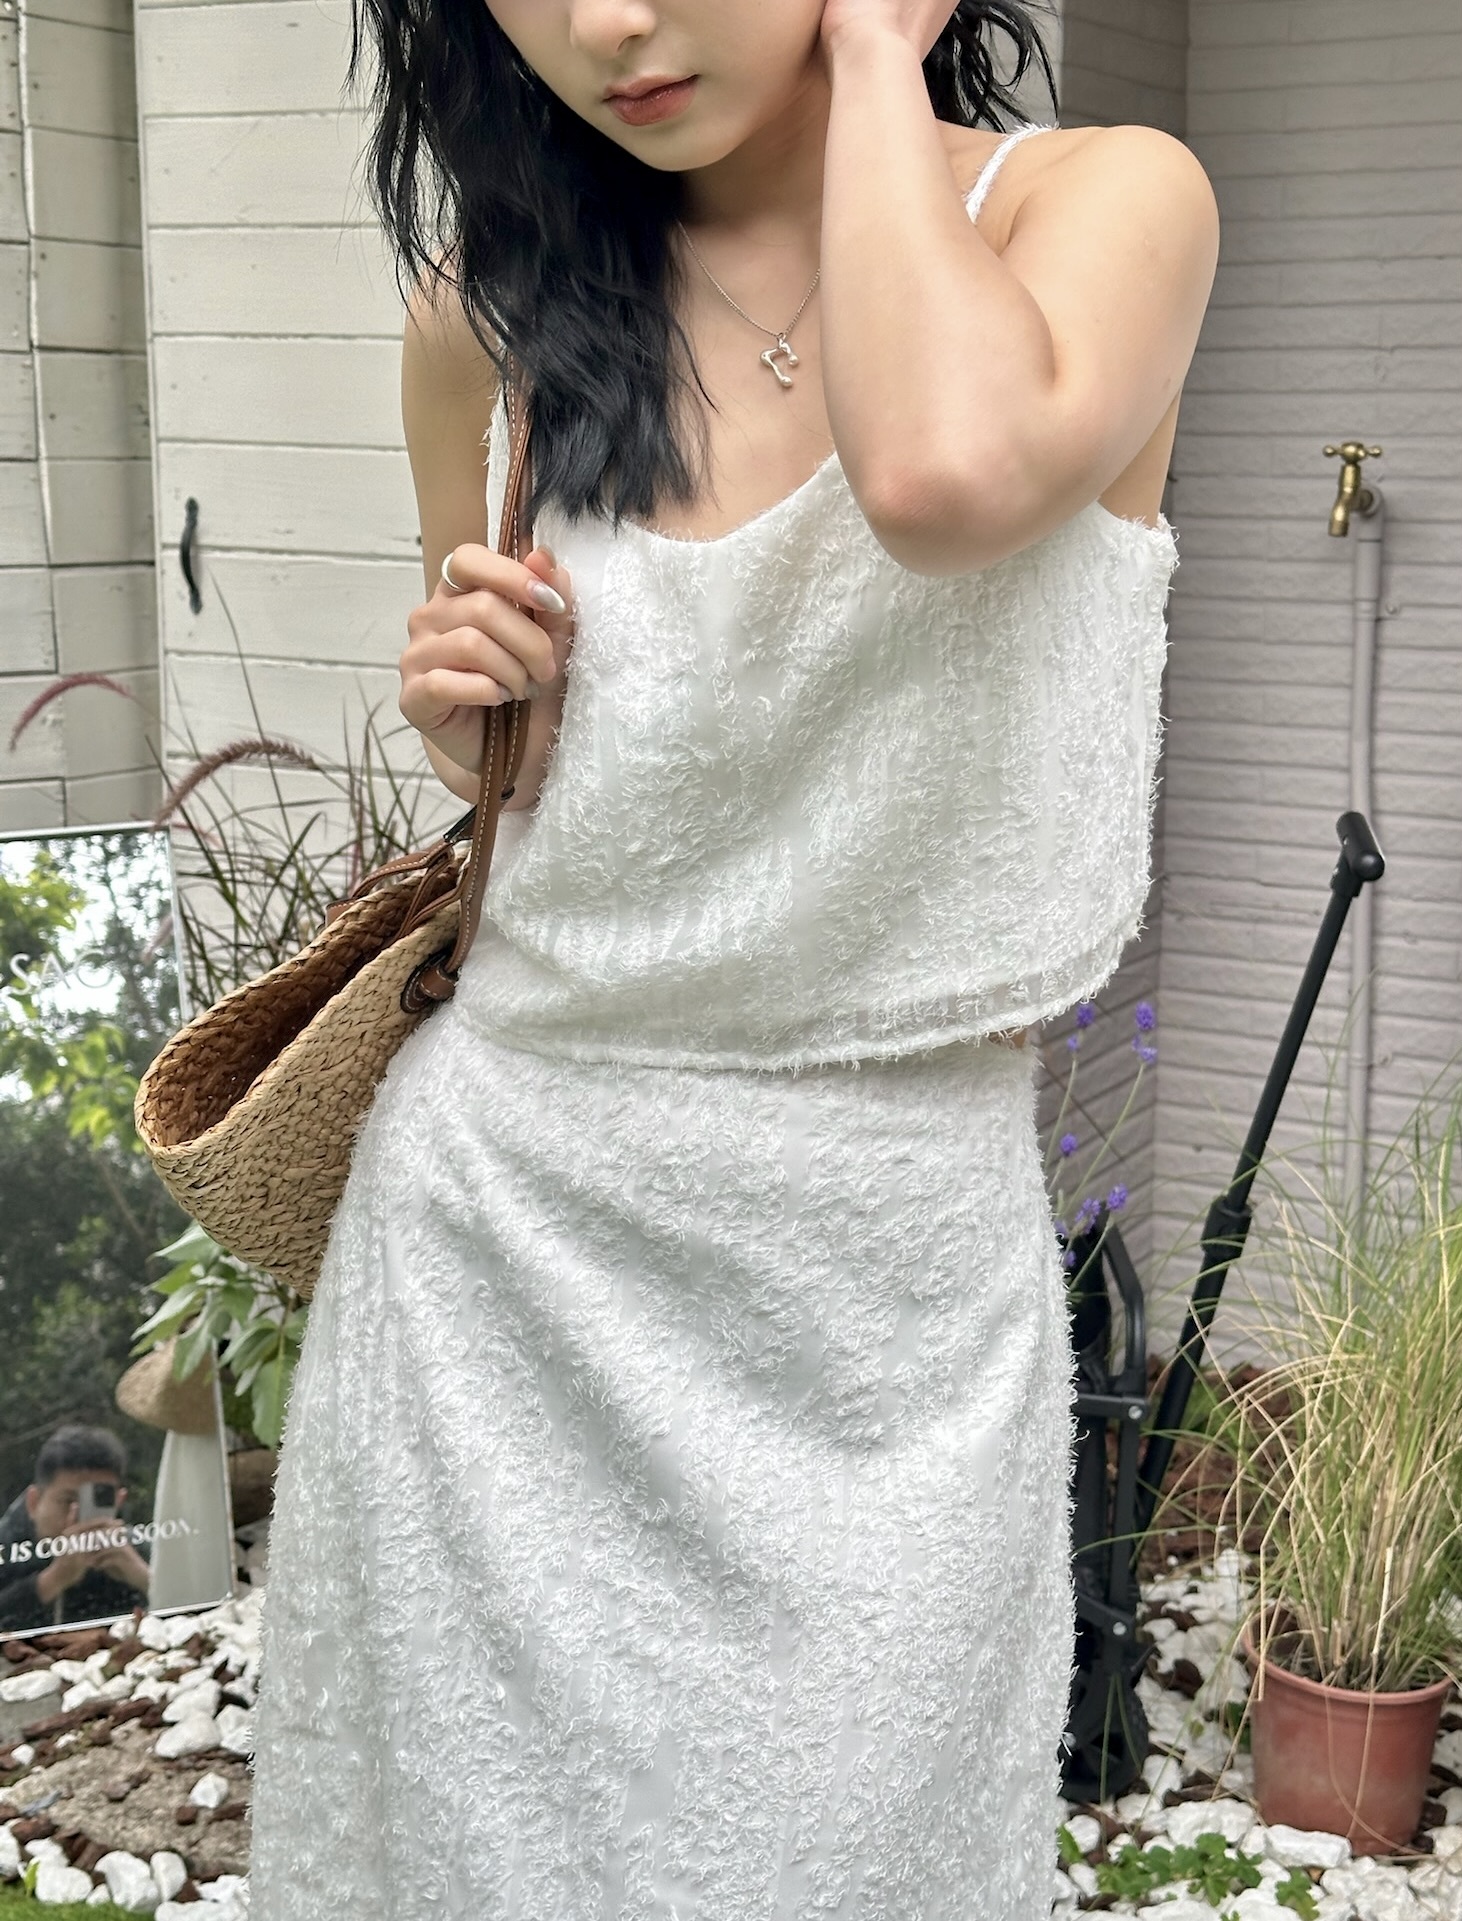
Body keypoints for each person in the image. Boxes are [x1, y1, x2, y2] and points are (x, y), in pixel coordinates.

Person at [248, 1, 1219, 1914]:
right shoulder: (489, 308)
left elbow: (942, 479)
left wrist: (867, 61)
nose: (607, 22)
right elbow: (522, 764)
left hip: (879, 1303)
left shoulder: (1100, 208)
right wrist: (463, 711)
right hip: (501, 1256)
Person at [0, 1425, 152, 1633]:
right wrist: (51, 1581)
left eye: (97, 1500)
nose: (79, 1514)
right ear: (33, 1502)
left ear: (118, 1501)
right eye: (68, 1501)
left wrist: (143, 1577)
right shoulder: (6, 1549)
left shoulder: (136, 1548)